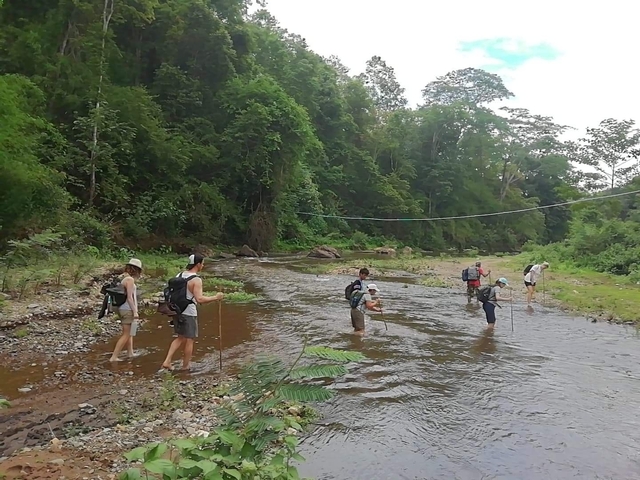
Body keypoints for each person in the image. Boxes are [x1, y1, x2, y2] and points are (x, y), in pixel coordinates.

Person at [161, 254, 224, 372]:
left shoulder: (179, 275)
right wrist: (216, 297)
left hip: (176, 310)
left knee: (180, 337)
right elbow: (199, 299)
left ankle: (167, 361)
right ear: (198, 264)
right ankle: (186, 366)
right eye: (202, 263)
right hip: (189, 312)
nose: (203, 265)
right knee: (189, 339)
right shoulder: (196, 280)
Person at [109, 258, 142, 362]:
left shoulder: (124, 278)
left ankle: (130, 352)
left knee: (130, 332)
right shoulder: (130, 280)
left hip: (123, 308)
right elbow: (130, 298)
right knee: (126, 334)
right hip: (127, 309)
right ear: (136, 269)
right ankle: (114, 357)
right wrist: (135, 311)